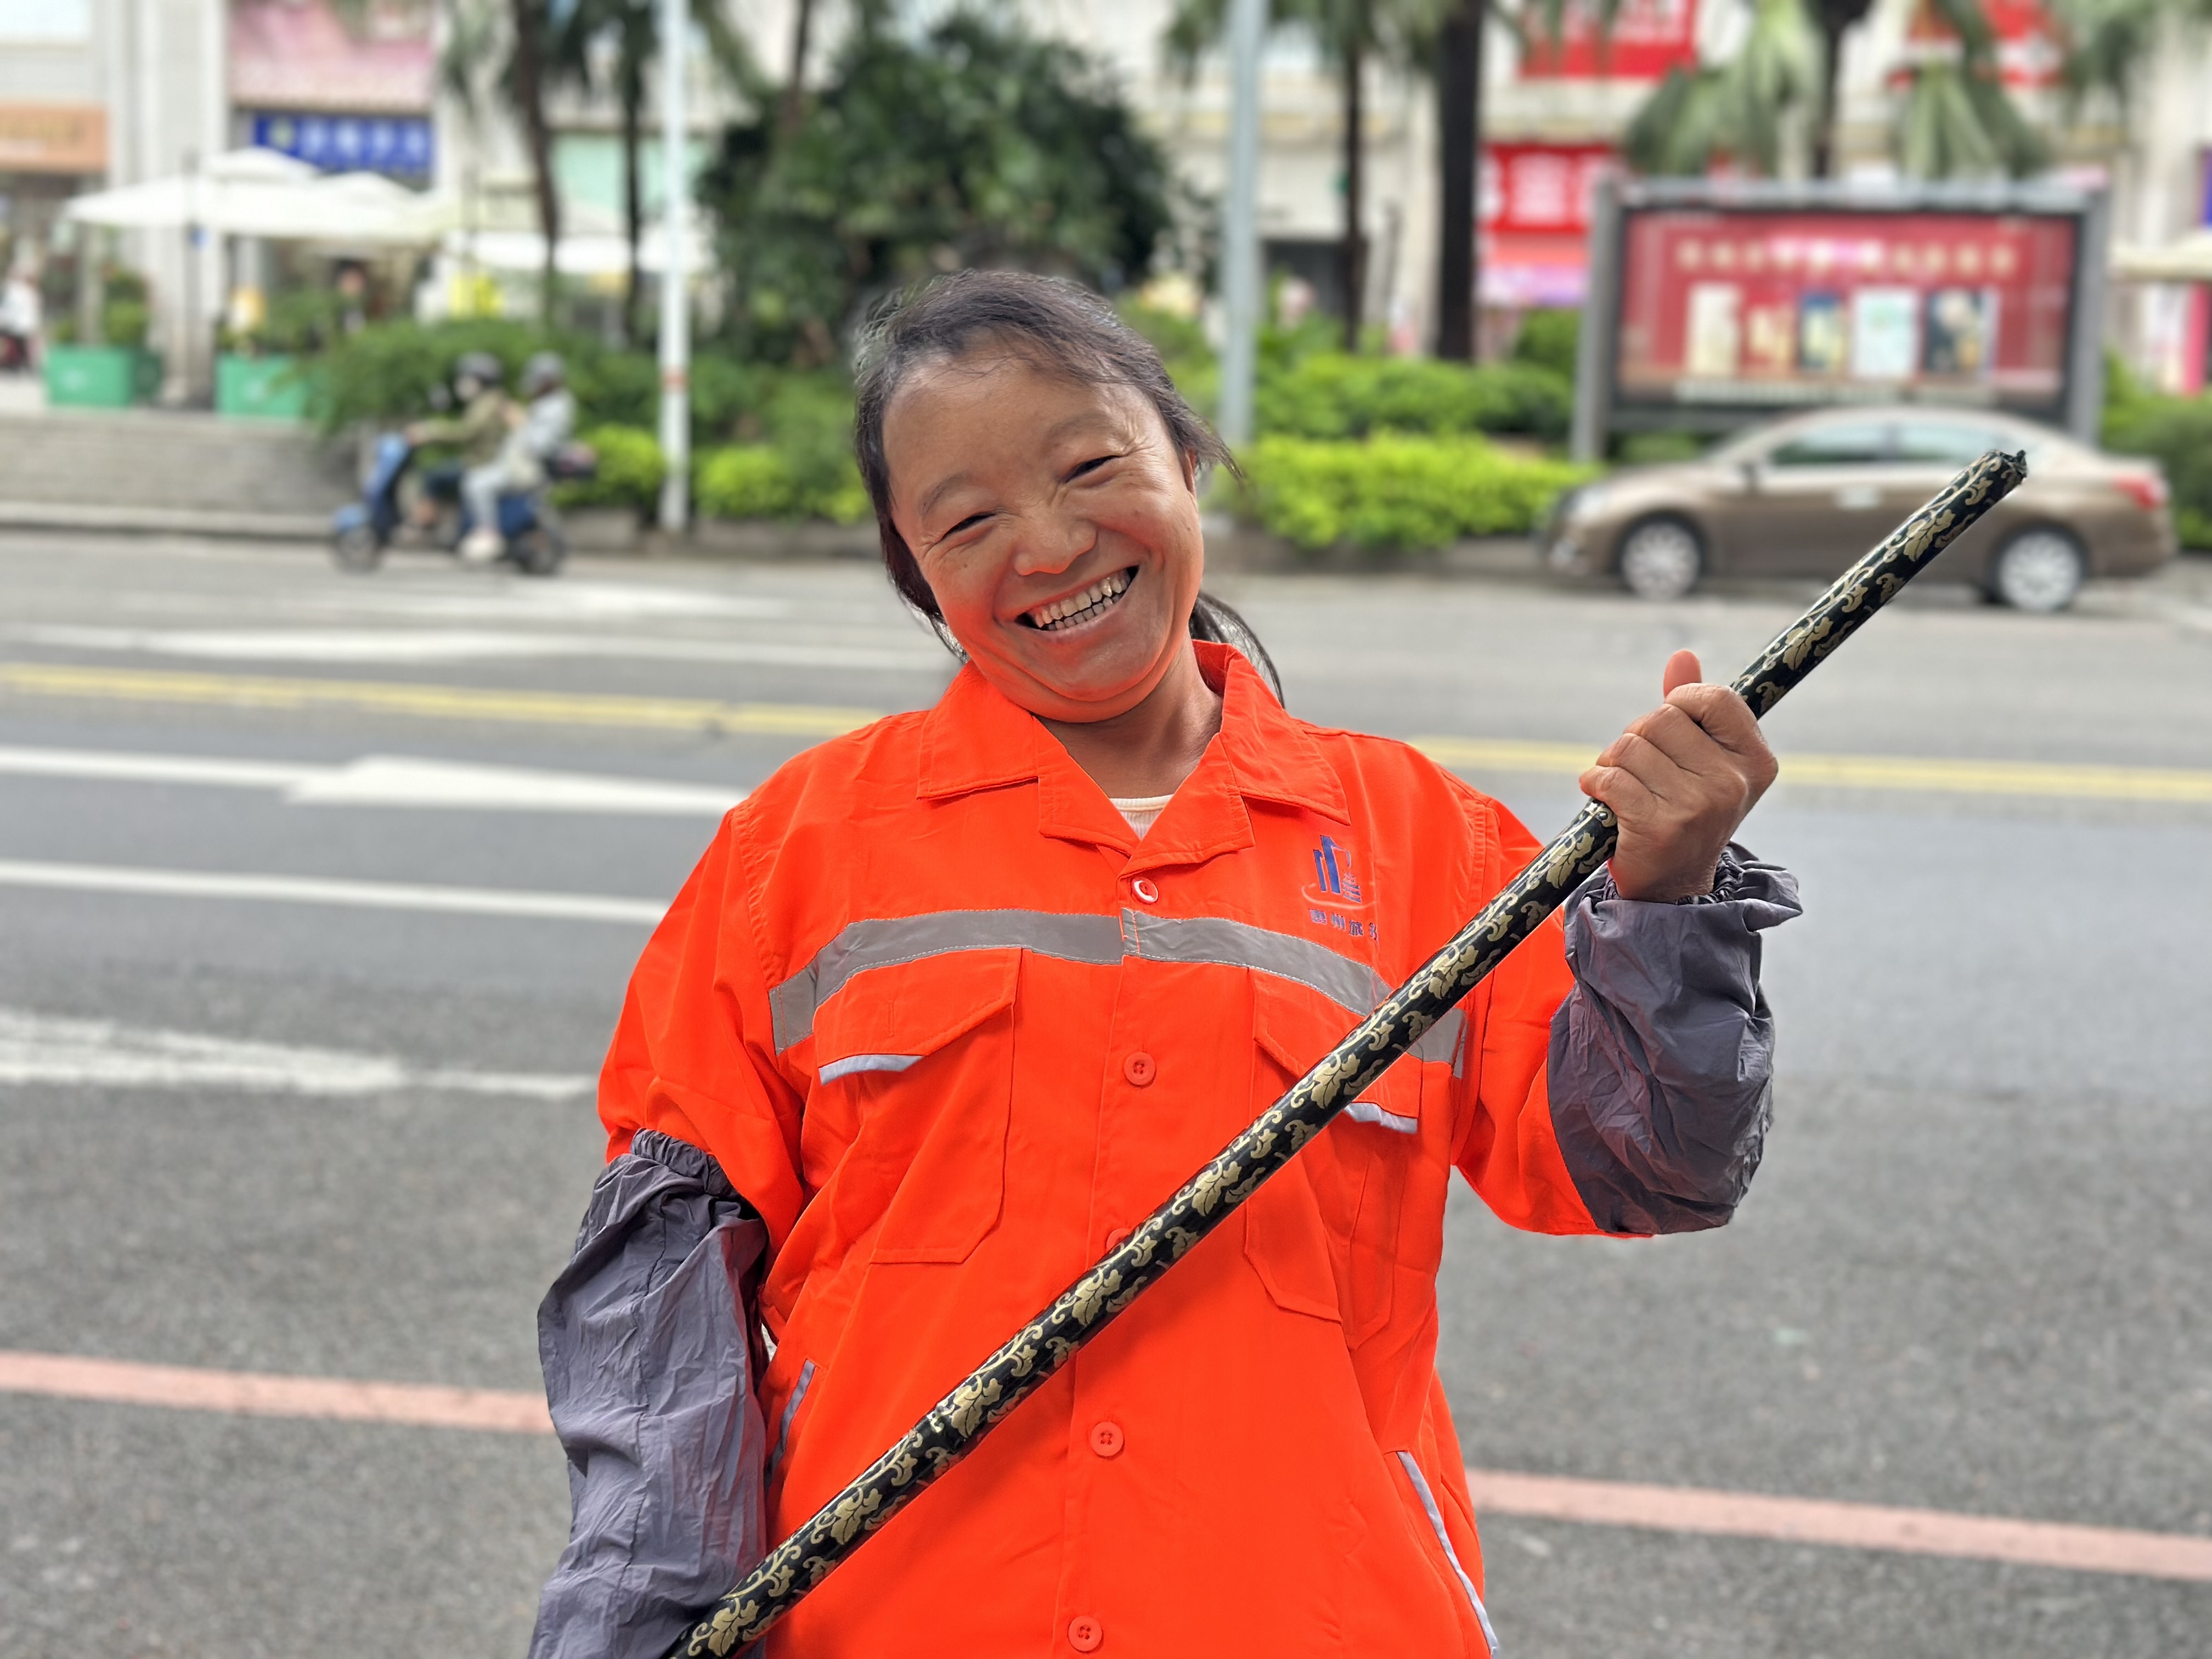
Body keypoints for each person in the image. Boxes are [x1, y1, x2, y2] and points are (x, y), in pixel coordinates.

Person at [528, 272, 1801, 1659]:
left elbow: (1649, 1170)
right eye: (969, 521)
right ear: (916, 570)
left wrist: (1668, 897)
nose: (1051, 544)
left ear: (1186, 461)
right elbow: (659, 1292)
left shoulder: (1427, 843)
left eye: (1090, 469)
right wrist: (636, 1623)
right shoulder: (795, 849)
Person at [455, 351, 576, 561]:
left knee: (476, 484)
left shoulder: (555, 407)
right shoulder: (548, 404)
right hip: (519, 465)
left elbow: (539, 445)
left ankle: (488, 534)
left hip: (528, 469)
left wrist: (520, 423)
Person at [404, 351, 511, 558]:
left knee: (433, 477)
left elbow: (466, 432)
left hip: (481, 463)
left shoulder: (488, 403)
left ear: (481, 380)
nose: (463, 383)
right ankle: (446, 526)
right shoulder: (489, 401)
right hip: (480, 461)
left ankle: (424, 522)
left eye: (468, 378)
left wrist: (430, 432)